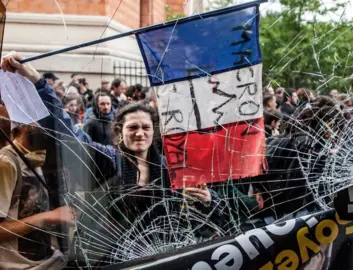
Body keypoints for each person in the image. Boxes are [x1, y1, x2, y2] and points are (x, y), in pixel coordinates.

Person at [1, 51, 220, 266]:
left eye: (145, 127)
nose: (139, 133)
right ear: (119, 132)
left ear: (154, 131)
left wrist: (208, 200)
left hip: (161, 258)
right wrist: (37, 81)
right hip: (110, 260)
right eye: (132, 127)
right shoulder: (107, 160)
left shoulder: (171, 169)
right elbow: (64, 129)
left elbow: (203, 218)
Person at [0, 109, 74, 269]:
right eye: (39, 120)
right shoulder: (6, 163)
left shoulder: (36, 156)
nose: (46, 127)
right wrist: (48, 217)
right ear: (22, 123)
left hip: (50, 260)